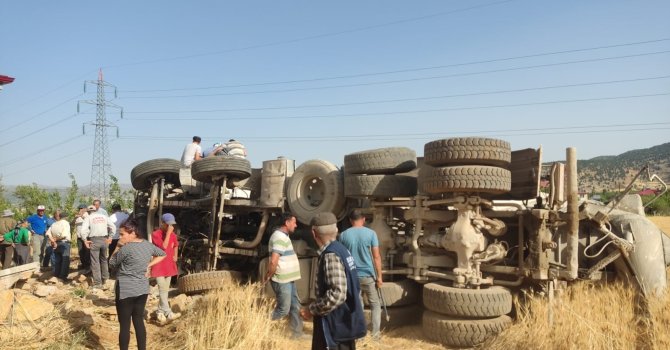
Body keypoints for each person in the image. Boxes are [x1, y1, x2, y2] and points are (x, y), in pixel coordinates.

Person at [300, 212, 366, 350]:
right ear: (336, 230)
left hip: (335, 327)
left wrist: (311, 309)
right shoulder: (342, 250)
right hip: (344, 324)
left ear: (314, 233)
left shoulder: (330, 255)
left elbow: (338, 293)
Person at [109, 218, 166, 350]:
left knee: (124, 325)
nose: (120, 237)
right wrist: (148, 265)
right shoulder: (147, 245)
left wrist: (117, 246)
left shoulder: (125, 249)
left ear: (133, 233)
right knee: (139, 321)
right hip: (142, 289)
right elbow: (162, 254)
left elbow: (111, 263)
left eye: (122, 234)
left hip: (125, 289)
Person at [338, 209, 383, 340]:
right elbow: (376, 257)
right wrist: (379, 277)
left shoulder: (344, 235)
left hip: (352, 276)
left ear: (351, 220)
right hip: (368, 276)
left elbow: (341, 256)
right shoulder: (371, 234)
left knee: (358, 306)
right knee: (375, 305)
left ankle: (360, 335)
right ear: (363, 219)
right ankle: (375, 335)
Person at [264, 212, 305, 339]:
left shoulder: (283, 236)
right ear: (287, 223)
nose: (296, 225)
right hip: (282, 280)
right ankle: (260, 324)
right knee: (283, 309)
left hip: (288, 279)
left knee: (295, 306)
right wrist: (269, 274)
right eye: (294, 222)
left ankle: (296, 335)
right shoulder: (279, 237)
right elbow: (274, 260)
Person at [150, 213, 181, 324]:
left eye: (171, 225)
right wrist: (168, 233)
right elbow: (163, 247)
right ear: (162, 223)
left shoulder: (172, 234)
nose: (170, 227)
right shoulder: (156, 234)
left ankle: (159, 312)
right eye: (168, 225)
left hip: (168, 265)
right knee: (162, 289)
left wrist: (175, 256)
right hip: (159, 265)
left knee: (165, 290)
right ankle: (168, 313)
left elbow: (176, 244)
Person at [81, 205, 115, 289]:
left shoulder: (88, 218)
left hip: (94, 240)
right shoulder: (104, 216)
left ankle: (97, 283)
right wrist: (110, 237)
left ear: (88, 211)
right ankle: (106, 279)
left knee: (95, 262)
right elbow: (113, 227)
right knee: (103, 259)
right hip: (104, 239)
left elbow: (83, 230)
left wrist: (85, 240)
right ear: (96, 210)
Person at [46, 211, 72, 280]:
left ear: (60, 217)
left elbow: (48, 233)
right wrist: (56, 239)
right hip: (64, 243)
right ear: (66, 217)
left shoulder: (54, 224)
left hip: (56, 244)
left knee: (57, 260)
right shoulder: (66, 223)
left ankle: (56, 274)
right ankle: (63, 277)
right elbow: (64, 235)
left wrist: (53, 240)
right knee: (65, 260)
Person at [74, 204, 91, 271]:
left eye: (81, 208)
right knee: (81, 252)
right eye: (79, 208)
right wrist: (75, 218)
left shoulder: (87, 215)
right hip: (79, 237)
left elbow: (89, 222)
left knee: (87, 252)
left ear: (85, 209)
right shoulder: (77, 216)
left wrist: (81, 215)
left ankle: (88, 267)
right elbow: (72, 224)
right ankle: (84, 266)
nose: (80, 210)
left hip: (86, 237)